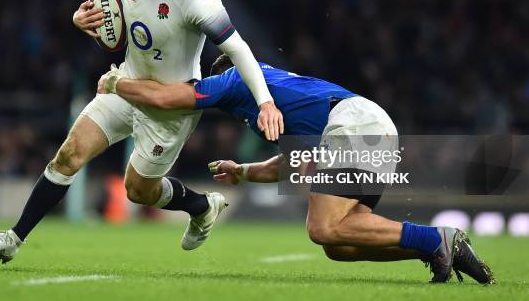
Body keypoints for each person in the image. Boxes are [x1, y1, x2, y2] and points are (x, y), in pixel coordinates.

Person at [0, 0, 283, 263]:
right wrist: (83, 21)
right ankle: (13, 239)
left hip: (168, 108)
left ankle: (200, 205)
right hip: (125, 84)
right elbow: (127, 34)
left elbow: (239, 49)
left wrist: (265, 102)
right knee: (69, 154)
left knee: (138, 190)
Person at [96, 54, 494, 284]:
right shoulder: (273, 93)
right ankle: (436, 251)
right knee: (339, 246)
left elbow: (174, 97)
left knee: (322, 229)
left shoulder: (234, 78)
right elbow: (296, 164)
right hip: (367, 125)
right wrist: (244, 171)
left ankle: (437, 238)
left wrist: (120, 84)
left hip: (355, 125)